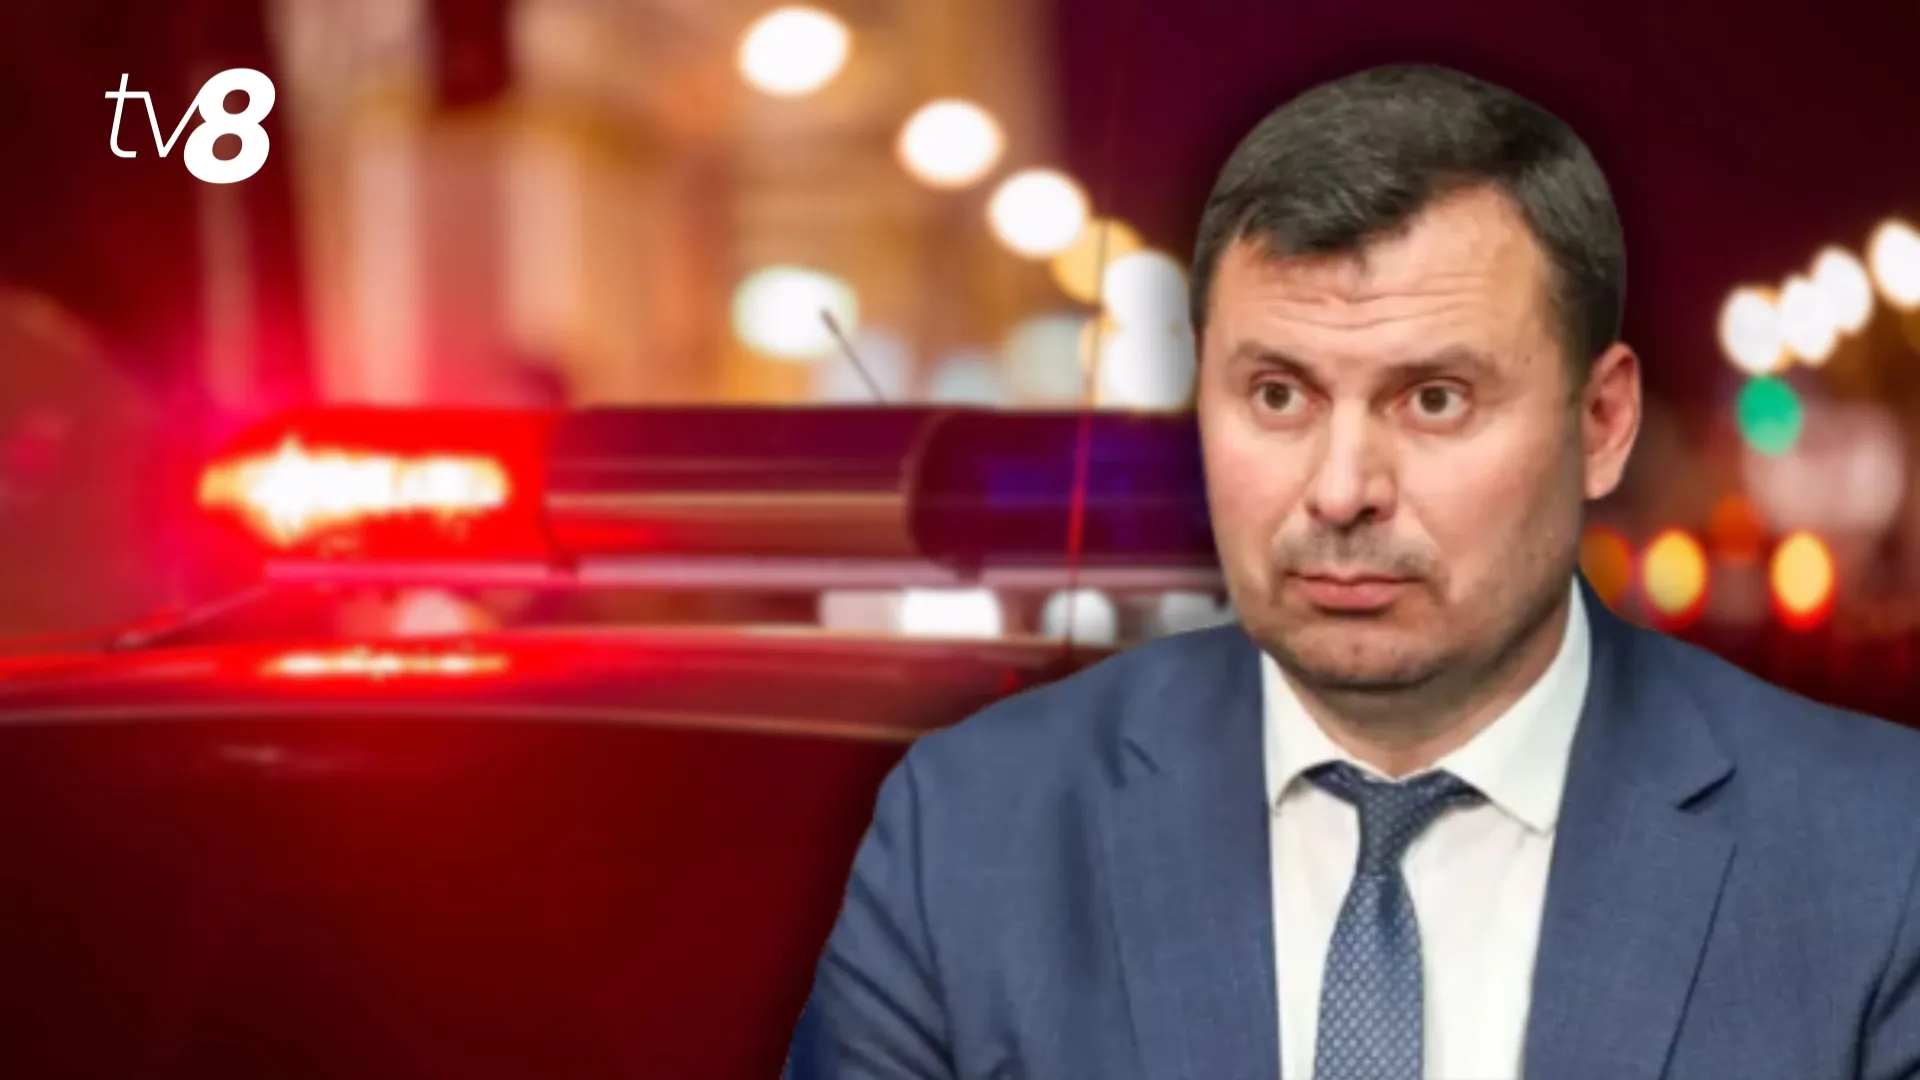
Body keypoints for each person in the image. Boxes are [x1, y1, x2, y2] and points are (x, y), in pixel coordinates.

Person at [785, 63, 1920, 1080]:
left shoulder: (1879, 857)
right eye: (1278, 395)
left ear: (1603, 422)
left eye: (1435, 399)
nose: (1340, 491)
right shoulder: (971, 833)